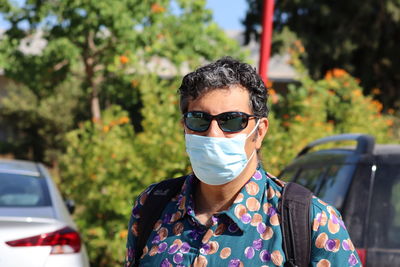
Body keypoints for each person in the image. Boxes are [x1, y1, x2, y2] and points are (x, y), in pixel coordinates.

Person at [124, 57, 361, 266]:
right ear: (184, 126)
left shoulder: (311, 222)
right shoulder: (151, 206)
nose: (213, 133)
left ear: (259, 132)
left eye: (232, 121)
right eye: (199, 119)